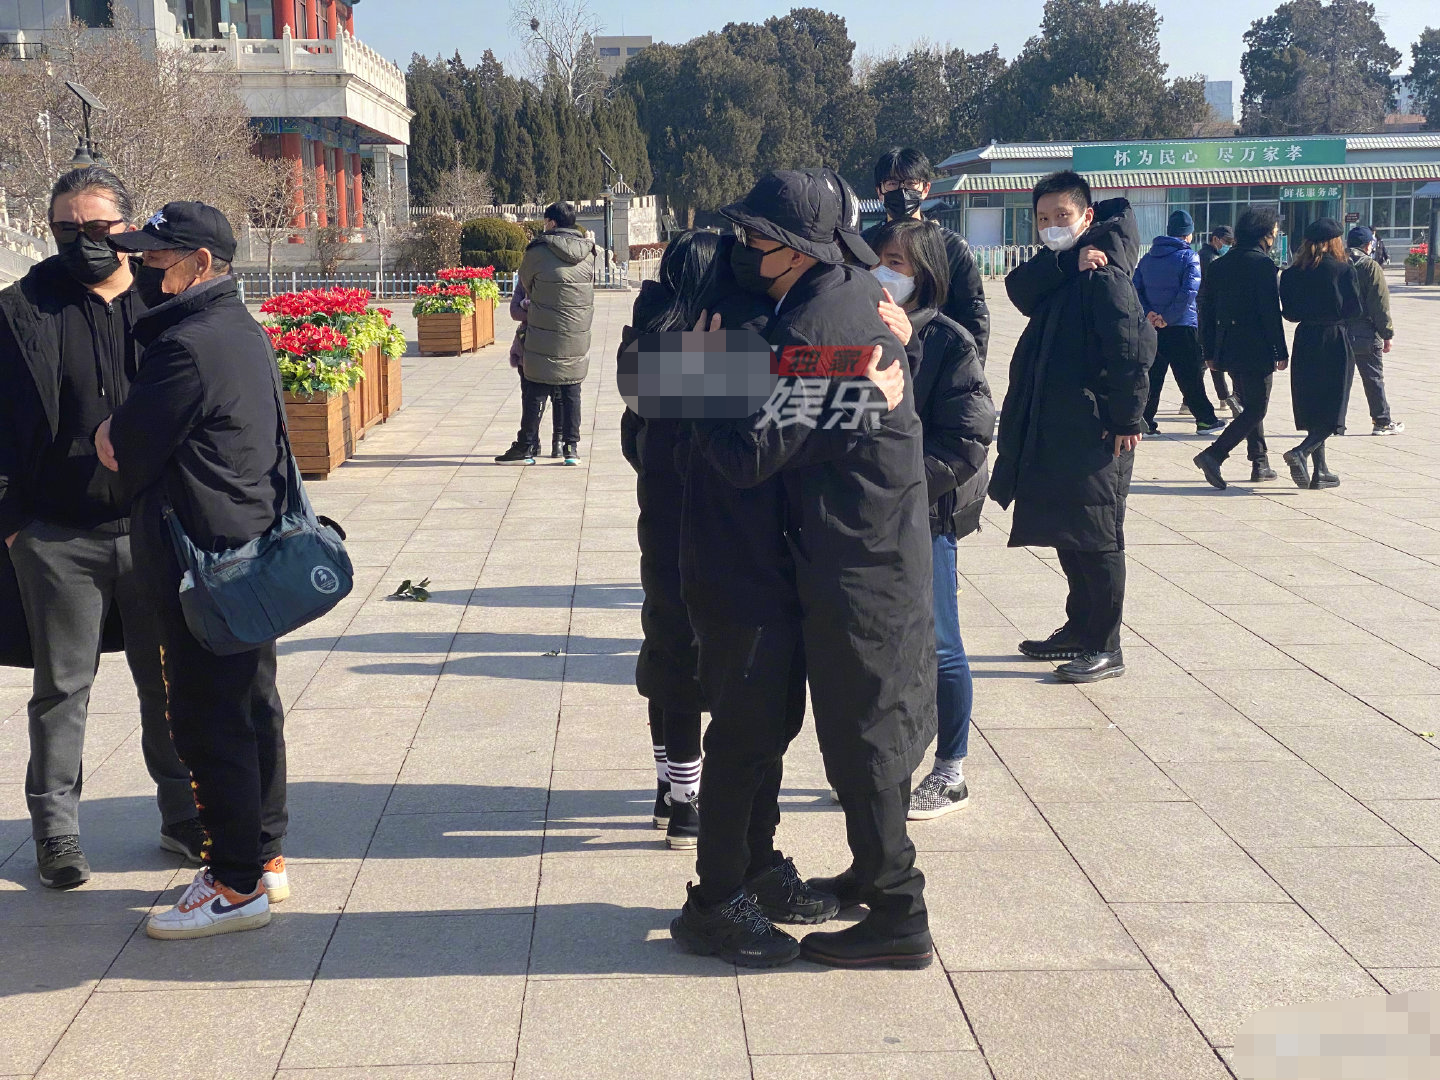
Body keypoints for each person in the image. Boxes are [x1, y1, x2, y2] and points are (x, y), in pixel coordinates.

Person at [675, 167, 935, 971]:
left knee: (863, 733)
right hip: (797, 561)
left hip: (858, 560)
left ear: (798, 249)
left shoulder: (816, 318)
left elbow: (753, 446)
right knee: (793, 731)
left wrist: (705, 376)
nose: (743, 247)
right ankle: (772, 882)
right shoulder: (821, 300)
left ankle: (896, 908)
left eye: (756, 236)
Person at [0, 168, 198, 890]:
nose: (81, 242)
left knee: (166, 680)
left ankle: (183, 815)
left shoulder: (164, 300)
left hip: (152, 527)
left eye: (96, 229)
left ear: (127, 226)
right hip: (57, 534)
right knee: (62, 688)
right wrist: (14, 524)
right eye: (65, 229)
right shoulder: (22, 309)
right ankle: (56, 833)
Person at [98, 202, 290, 939]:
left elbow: (124, 448)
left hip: (199, 563)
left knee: (209, 720)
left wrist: (109, 428)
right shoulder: (239, 328)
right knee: (253, 707)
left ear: (200, 263)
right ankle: (263, 855)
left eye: (155, 258)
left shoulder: (186, 346)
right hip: (244, 552)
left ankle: (235, 883)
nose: (142, 270)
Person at [990, 171, 1154, 684]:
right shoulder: (1068, 270)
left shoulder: (1104, 274)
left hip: (1097, 428)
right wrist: (1066, 260)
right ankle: (1079, 628)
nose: (1052, 226)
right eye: (1043, 219)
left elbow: (1131, 350)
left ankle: (1106, 644)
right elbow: (1020, 288)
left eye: (1062, 216)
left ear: (1087, 216)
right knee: (1071, 529)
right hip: (1060, 424)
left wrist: (1126, 417)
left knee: (1098, 535)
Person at [870, 218, 993, 821]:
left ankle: (951, 771)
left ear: (926, 275)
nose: (883, 271)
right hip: (865, 514)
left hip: (925, 513)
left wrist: (902, 487)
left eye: (896, 262)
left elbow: (967, 438)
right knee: (879, 645)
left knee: (941, 641)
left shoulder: (947, 340)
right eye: (877, 259)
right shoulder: (850, 328)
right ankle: (883, 764)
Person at [618, 233, 722, 850]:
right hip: (712, 527)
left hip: (658, 522)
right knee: (693, 660)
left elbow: (633, 438)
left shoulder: (647, 341)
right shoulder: (716, 345)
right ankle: (687, 803)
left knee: (667, 650)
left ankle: (669, 789)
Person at [862, 147, 991, 363]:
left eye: (910, 183)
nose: (902, 192)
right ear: (879, 191)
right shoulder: (864, 244)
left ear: (925, 188)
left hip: (936, 357)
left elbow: (973, 312)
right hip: (876, 354)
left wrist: (971, 367)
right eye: (892, 184)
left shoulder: (952, 247)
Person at [1192, 208, 1288, 490]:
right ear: (1264, 234)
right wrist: (1280, 350)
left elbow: (1205, 310)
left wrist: (1209, 351)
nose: (1275, 236)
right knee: (1257, 408)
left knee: (1250, 404)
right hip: (1256, 346)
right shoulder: (1263, 265)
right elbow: (1270, 312)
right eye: (1273, 232)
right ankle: (1214, 454)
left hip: (1228, 346)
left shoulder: (1220, 264)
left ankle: (1260, 462)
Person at [497, 202, 597, 466]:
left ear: (551, 222)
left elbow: (527, 284)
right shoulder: (589, 252)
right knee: (572, 388)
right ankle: (571, 448)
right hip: (576, 331)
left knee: (536, 387)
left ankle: (526, 447)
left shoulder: (538, 251)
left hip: (543, 329)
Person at [1278, 218, 1364, 490]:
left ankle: (1321, 471)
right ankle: (1301, 451)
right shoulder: (1342, 269)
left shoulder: (1291, 273)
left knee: (1313, 404)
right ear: (1334, 241)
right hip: (1334, 338)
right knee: (1333, 404)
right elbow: (1354, 309)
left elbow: (1289, 313)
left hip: (1305, 338)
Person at [1134, 210, 1224, 436]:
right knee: (1190, 375)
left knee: (1152, 376)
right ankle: (1205, 420)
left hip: (1152, 327)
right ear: (1188, 234)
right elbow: (1189, 292)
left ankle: (1144, 420)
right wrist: (1168, 317)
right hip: (1181, 325)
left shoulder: (1147, 258)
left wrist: (1151, 314)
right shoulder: (1189, 257)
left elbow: (1135, 289)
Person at [1344, 226, 1402, 437]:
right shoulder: (1370, 266)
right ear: (1368, 245)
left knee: (1339, 379)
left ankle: (1332, 422)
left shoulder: (1337, 263)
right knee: (1373, 378)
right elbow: (1379, 304)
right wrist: (1387, 334)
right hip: (1365, 331)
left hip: (1339, 331)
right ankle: (1382, 421)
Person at [498, 278, 564, 462]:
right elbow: (514, 311)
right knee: (529, 396)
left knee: (558, 394)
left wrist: (529, 309)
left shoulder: (555, 281)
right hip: (526, 346)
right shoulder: (525, 281)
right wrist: (536, 312)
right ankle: (532, 440)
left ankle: (558, 441)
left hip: (555, 344)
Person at [1198, 224, 1242, 418]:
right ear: (1216, 239)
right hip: (1209, 313)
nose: (1229, 246)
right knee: (1214, 357)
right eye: (1227, 242)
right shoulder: (1211, 259)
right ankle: (1227, 397)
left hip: (1202, 313)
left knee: (1204, 360)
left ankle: (1194, 400)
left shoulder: (1206, 255)